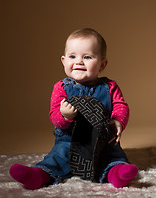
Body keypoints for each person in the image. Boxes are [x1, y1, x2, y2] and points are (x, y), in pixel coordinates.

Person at [9, 28, 138, 190]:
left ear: (102, 64)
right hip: (70, 139)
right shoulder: (61, 88)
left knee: (112, 154)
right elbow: (54, 116)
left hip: (102, 139)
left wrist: (118, 121)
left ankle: (117, 173)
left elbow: (120, 105)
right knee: (58, 156)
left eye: (87, 57)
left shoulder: (109, 86)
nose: (79, 61)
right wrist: (65, 116)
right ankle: (39, 174)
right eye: (72, 56)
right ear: (63, 61)